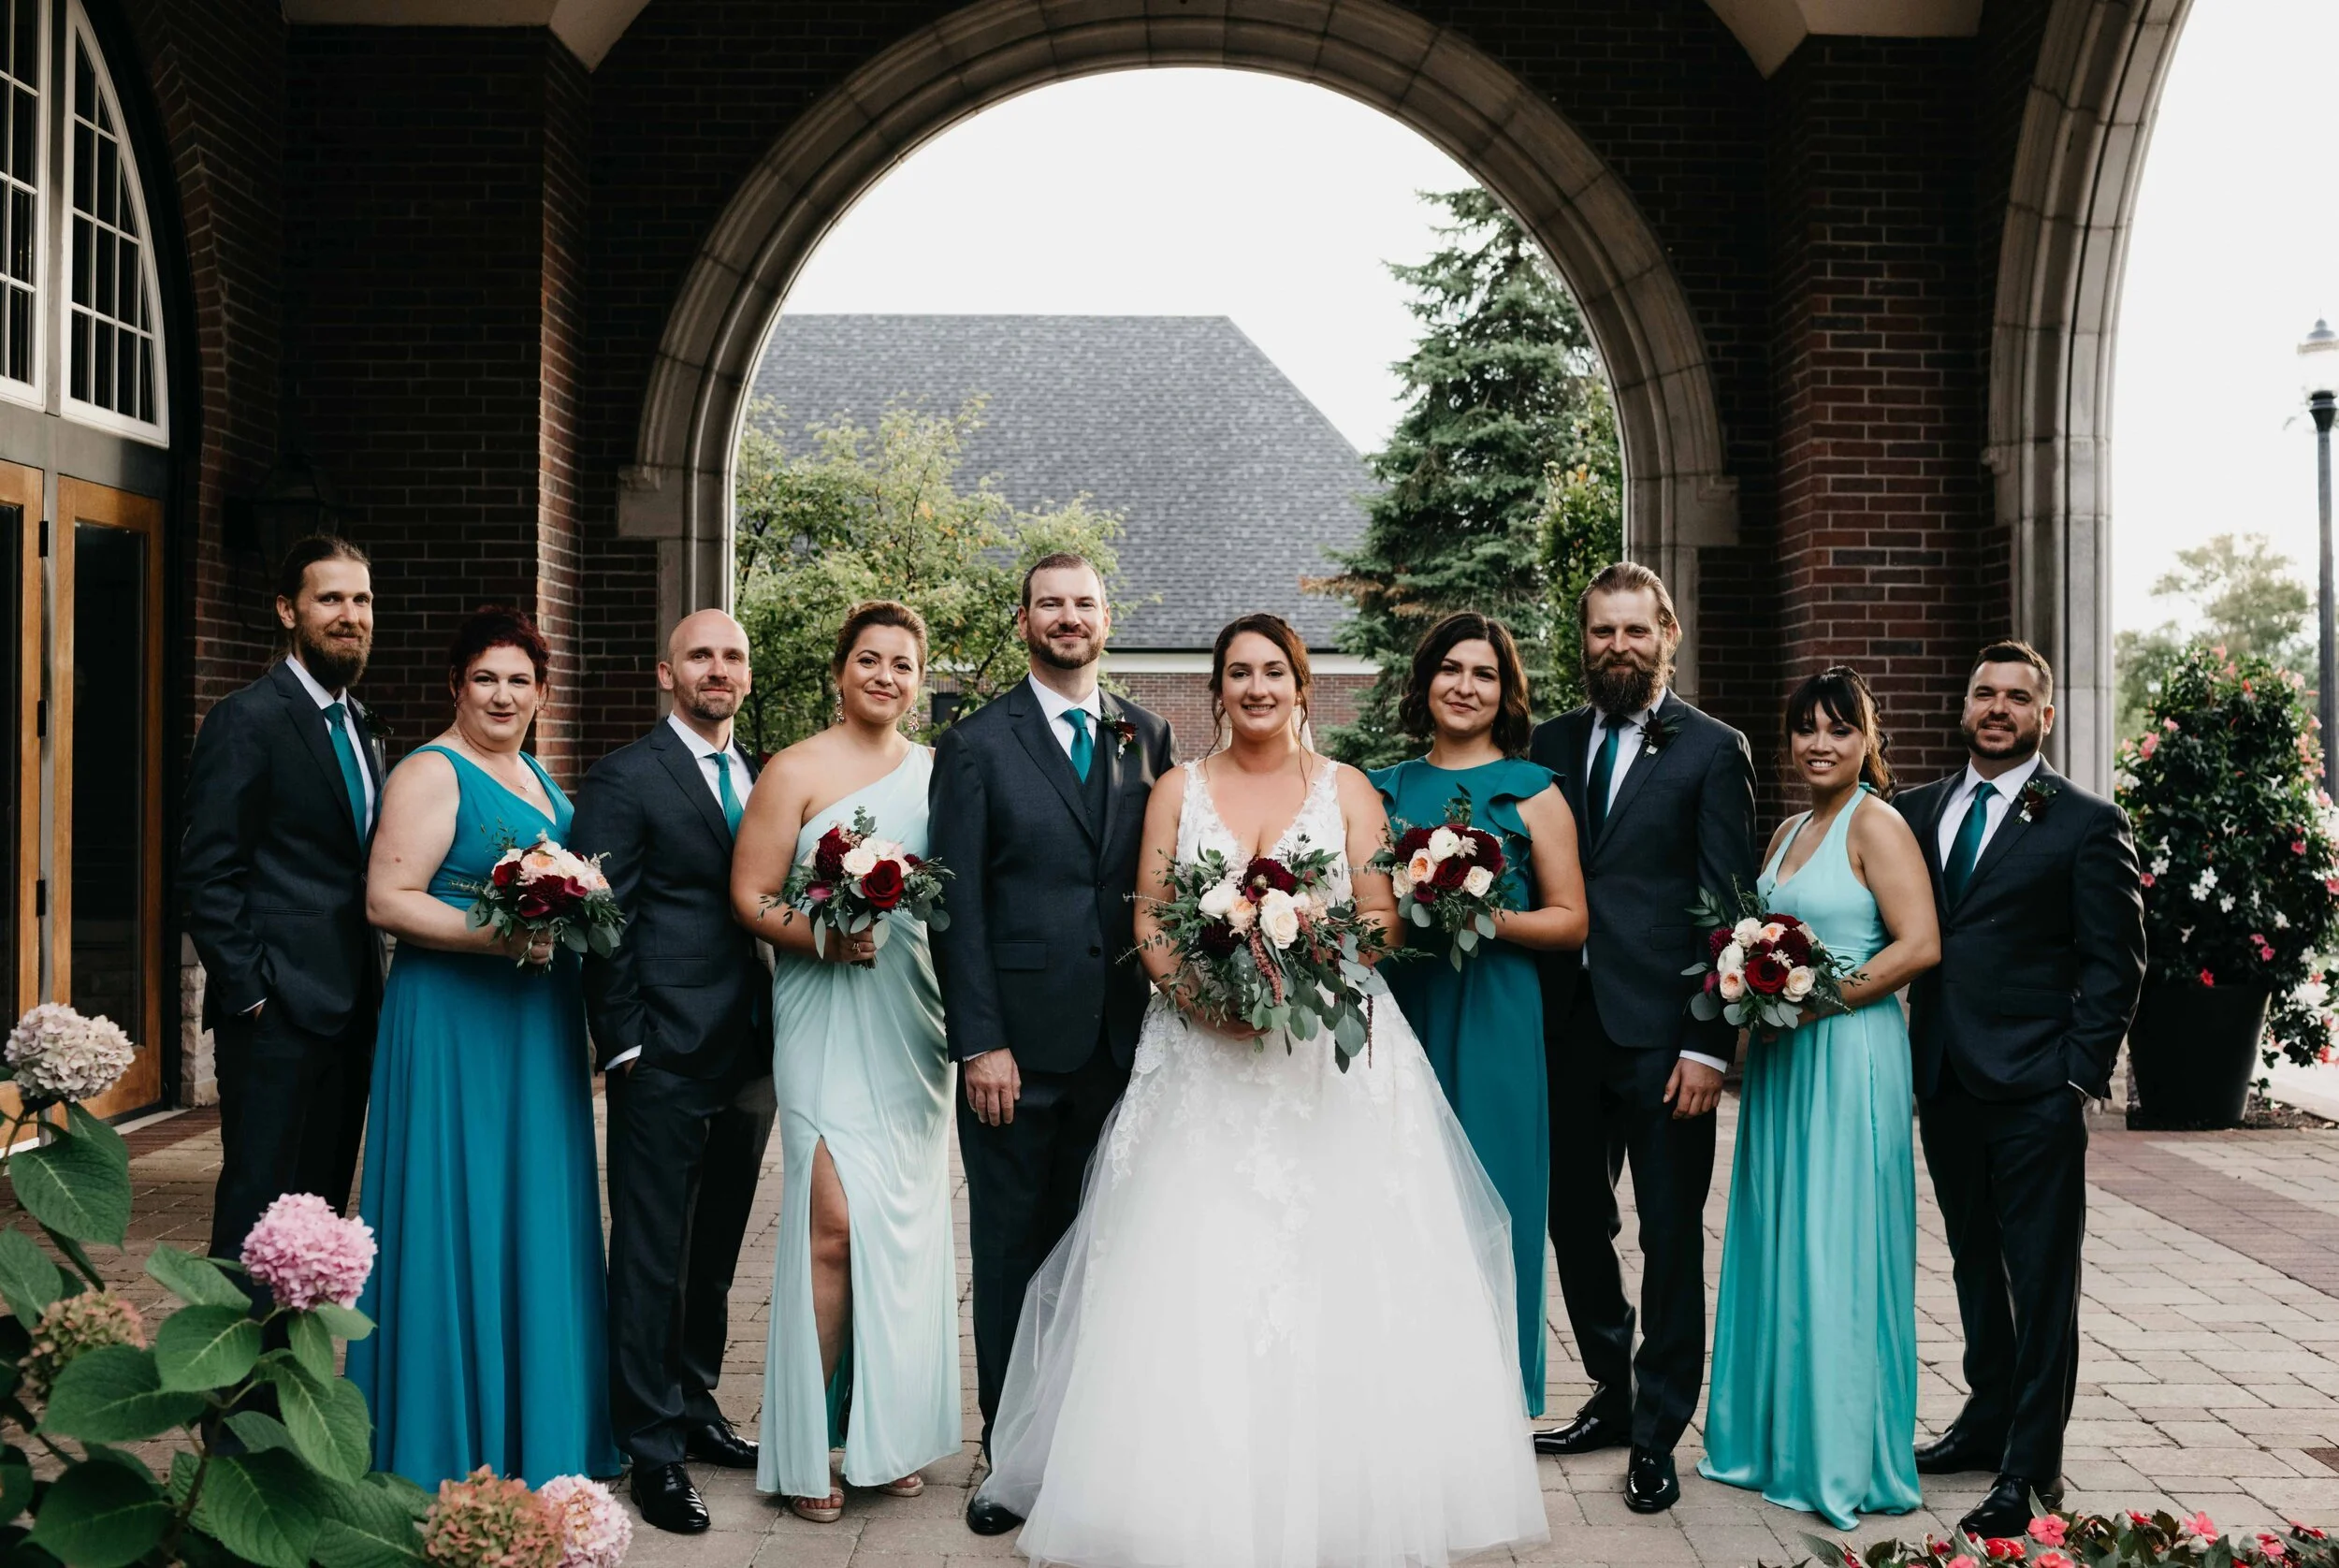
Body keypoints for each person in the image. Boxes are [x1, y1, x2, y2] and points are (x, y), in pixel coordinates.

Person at [973, 614, 1548, 1568]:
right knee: (1191, 1258)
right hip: (1201, 1057)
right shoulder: (1177, 788)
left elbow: (1381, 919)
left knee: (1342, 1261)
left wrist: (1307, 966)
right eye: (1238, 673)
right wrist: (1206, 1000)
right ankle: (1177, 1488)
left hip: (1326, 1059)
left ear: (1300, 685)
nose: (1256, 688)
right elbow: (1150, 919)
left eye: (1273, 671)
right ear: (1216, 690)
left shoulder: (1347, 788)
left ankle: (1342, 1488)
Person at [926, 554, 1175, 1538]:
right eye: (1051, 604)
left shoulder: (1145, 733)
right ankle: (1008, 1458)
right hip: (1016, 1054)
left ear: (1107, 618)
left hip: (1121, 1045)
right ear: (1024, 619)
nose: (1068, 618)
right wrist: (980, 1040)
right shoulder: (975, 743)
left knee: (1101, 1252)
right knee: (1010, 1253)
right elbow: (955, 906)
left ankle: (1084, 1446)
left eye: (1084, 603)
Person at [347, 605, 620, 1487]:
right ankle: (443, 1441)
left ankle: (539, 1431)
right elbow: (388, 900)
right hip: (455, 1021)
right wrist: (500, 935)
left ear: (543, 693)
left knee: (532, 1208)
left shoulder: (534, 772)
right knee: (456, 1205)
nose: (503, 696)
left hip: (534, 1022)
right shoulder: (432, 772)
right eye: (485, 679)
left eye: (519, 681)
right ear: (456, 688)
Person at [1891, 641, 2144, 1540]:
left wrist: (2075, 1075)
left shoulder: (2086, 822)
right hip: (1944, 1078)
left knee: (2040, 1281)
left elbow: (2117, 963)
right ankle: (1986, 1416)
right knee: (1972, 1260)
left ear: (2045, 716)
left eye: (2017, 697)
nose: (1997, 708)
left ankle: (2032, 1467)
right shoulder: (1915, 811)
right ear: (1964, 706)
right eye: (1984, 693)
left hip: (2036, 1086)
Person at [1525, 560, 1757, 1514]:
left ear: (1667, 634)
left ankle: (1657, 1432)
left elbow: (1729, 905)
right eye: (1601, 630)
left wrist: (1709, 1046)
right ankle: (1612, 1392)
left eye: (1634, 629)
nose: (1617, 646)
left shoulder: (1714, 749)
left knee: (1667, 1233)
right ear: (1582, 640)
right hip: (1563, 1028)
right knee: (1574, 1221)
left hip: (1666, 1037)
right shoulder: (1547, 742)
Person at [731, 602, 958, 1521]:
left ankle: (884, 1430)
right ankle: (803, 1446)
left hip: (910, 1020)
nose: (885, 676)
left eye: (902, 664)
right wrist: (823, 935)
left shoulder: (938, 776)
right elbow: (751, 896)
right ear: (840, 670)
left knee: (895, 1232)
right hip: (821, 1011)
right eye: (869, 659)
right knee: (832, 1224)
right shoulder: (793, 769)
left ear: (918, 681)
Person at [1698, 666, 1939, 1529]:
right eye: (1806, 728)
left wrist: (1815, 999)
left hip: (1848, 1056)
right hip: (1785, 1064)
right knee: (1783, 1236)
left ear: (1866, 739)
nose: (1821, 743)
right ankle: (1773, 1439)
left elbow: (1919, 945)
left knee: (1837, 1242)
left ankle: (1839, 1454)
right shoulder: (1790, 829)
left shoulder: (1879, 823)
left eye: (1840, 728)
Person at [571, 609, 775, 1534]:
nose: (717, 669)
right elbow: (603, 916)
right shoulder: (625, 776)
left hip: (750, 1050)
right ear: (668, 673)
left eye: (731, 656)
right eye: (700, 656)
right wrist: (623, 1043)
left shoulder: (760, 775)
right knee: (653, 1252)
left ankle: (694, 1403)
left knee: (716, 1247)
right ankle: (649, 1447)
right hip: (663, 1049)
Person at [1369, 611, 1587, 1416]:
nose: (1466, 687)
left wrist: (1481, 916)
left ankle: (1492, 1402)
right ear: (1426, 680)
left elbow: (1571, 920)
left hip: (1497, 1013)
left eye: (1485, 675)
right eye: (1452, 669)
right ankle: (1404, 1397)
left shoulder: (1534, 793)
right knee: (1399, 1192)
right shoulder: (1382, 790)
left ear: (1506, 693)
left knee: (1496, 1196)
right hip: (1404, 1008)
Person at [182, 535, 385, 1267]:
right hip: (275, 1015)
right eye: (330, 599)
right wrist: (251, 994)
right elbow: (208, 870)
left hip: (352, 1008)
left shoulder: (361, 724)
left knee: (318, 1213)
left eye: (361, 599)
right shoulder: (247, 718)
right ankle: (233, 1347)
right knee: (255, 1211)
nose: (350, 615)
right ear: (287, 611)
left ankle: (296, 1343)